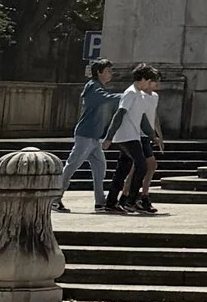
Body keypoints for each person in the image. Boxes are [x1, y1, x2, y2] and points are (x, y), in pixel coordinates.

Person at [53, 62, 122, 213]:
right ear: (99, 72)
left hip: (94, 137)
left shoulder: (98, 86)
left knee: (100, 167)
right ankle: (54, 199)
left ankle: (100, 202)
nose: (111, 73)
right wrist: (126, 96)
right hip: (85, 135)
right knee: (72, 166)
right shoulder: (93, 86)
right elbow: (107, 98)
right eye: (108, 71)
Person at [106, 65, 164, 213]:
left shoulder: (139, 94)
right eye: (149, 80)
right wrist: (109, 137)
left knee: (123, 169)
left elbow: (143, 119)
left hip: (133, 136)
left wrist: (152, 136)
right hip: (126, 136)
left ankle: (112, 202)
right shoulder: (130, 93)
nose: (150, 84)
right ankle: (131, 200)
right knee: (141, 165)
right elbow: (119, 114)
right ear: (143, 79)